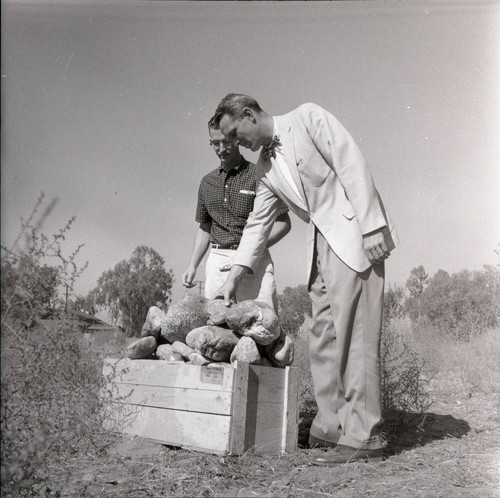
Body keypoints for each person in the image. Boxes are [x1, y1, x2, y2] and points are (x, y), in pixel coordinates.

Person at [211, 93, 399, 465]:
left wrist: (372, 225)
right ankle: (331, 426)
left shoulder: (308, 117)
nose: (235, 145)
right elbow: (257, 224)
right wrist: (232, 277)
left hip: (354, 237)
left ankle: (365, 435)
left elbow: (350, 162)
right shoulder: (264, 167)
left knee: (354, 336)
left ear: (249, 115)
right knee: (323, 335)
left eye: (235, 134)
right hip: (320, 248)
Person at [181, 118, 291, 310]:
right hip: (218, 261)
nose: (221, 148)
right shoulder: (207, 182)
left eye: (226, 142)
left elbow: (284, 223)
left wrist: (252, 249)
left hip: (255, 261)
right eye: (215, 143)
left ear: (238, 140)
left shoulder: (259, 174)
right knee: (217, 327)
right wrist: (192, 265)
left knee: (263, 322)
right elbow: (205, 227)